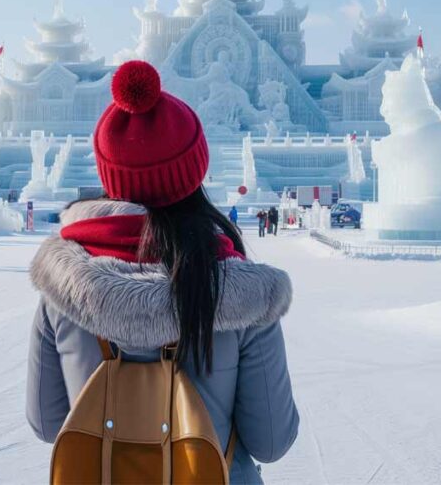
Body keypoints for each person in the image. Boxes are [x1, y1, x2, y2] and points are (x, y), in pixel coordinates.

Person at [26, 61, 298, 482]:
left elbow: (47, 424)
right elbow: (272, 441)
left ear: (108, 174)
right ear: (194, 172)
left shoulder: (64, 286)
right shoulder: (244, 293)